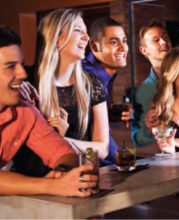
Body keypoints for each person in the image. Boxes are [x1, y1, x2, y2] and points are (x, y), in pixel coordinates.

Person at [0, 25, 98, 197]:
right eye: (10, 66)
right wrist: (49, 186)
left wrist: (63, 173)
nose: (23, 73)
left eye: (21, 64)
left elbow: (62, 152)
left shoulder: (24, 110)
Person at [12, 8, 110, 177]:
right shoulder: (26, 82)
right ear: (56, 39)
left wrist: (61, 141)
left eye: (86, 32)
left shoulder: (92, 84)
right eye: (78, 30)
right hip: (31, 184)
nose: (87, 38)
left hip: (75, 179)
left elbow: (102, 149)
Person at [83, 17, 126, 162]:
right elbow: (99, 139)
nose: (123, 47)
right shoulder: (90, 77)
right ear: (94, 47)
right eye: (114, 42)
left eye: (124, 41)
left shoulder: (104, 74)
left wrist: (113, 113)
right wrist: (123, 159)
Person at [131, 20, 170, 147]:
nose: (163, 42)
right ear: (144, 50)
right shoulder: (142, 92)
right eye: (156, 40)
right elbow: (138, 140)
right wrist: (148, 128)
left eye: (165, 37)